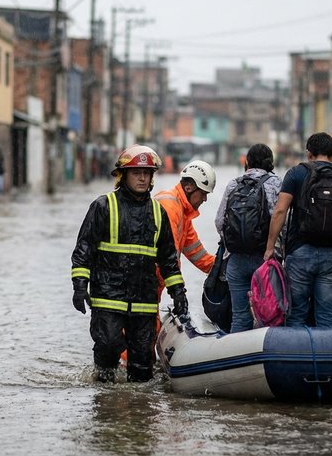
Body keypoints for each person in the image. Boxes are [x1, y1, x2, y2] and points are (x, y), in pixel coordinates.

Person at [70, 145, 187, 383]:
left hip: (143, 300)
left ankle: (138, 411)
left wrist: (178, 292)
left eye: (147, 173)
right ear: (123, 175)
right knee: (109, 346)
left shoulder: (157, 212)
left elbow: (167, 258)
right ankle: (103, 394)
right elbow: (84, 250)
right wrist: (79, 286)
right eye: (137, 173)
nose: (143, 178)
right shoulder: (103, 207)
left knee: (142, 365)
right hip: (108, 297)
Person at [263, 132, 332, 328]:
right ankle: (325, 356)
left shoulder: (296, 174)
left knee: (296, 316)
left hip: (299, 253)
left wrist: (270, 247)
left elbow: (279, 211)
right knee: (327, 316)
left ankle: (297, 356)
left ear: (308, 154)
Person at [215, 144, 281, 332]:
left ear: (247, 162)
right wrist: (275, 249)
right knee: (271, 314)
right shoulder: (276, 183)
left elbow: (219, 221)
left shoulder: (234, 184)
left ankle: (238, 357)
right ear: (271, 163)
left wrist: (232, 243)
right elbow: (282, 221)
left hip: (236, 260)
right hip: (266, 260)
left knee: (240, 315)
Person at [155, 159, 216, 282]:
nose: (205, 199)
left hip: (153, 283)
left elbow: (198, 255)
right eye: (203, 193)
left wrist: (225, 267)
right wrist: (177, 289)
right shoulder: (170, 207)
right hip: (145, 283)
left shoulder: (183, 212)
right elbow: (168, 256)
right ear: (189, 188)